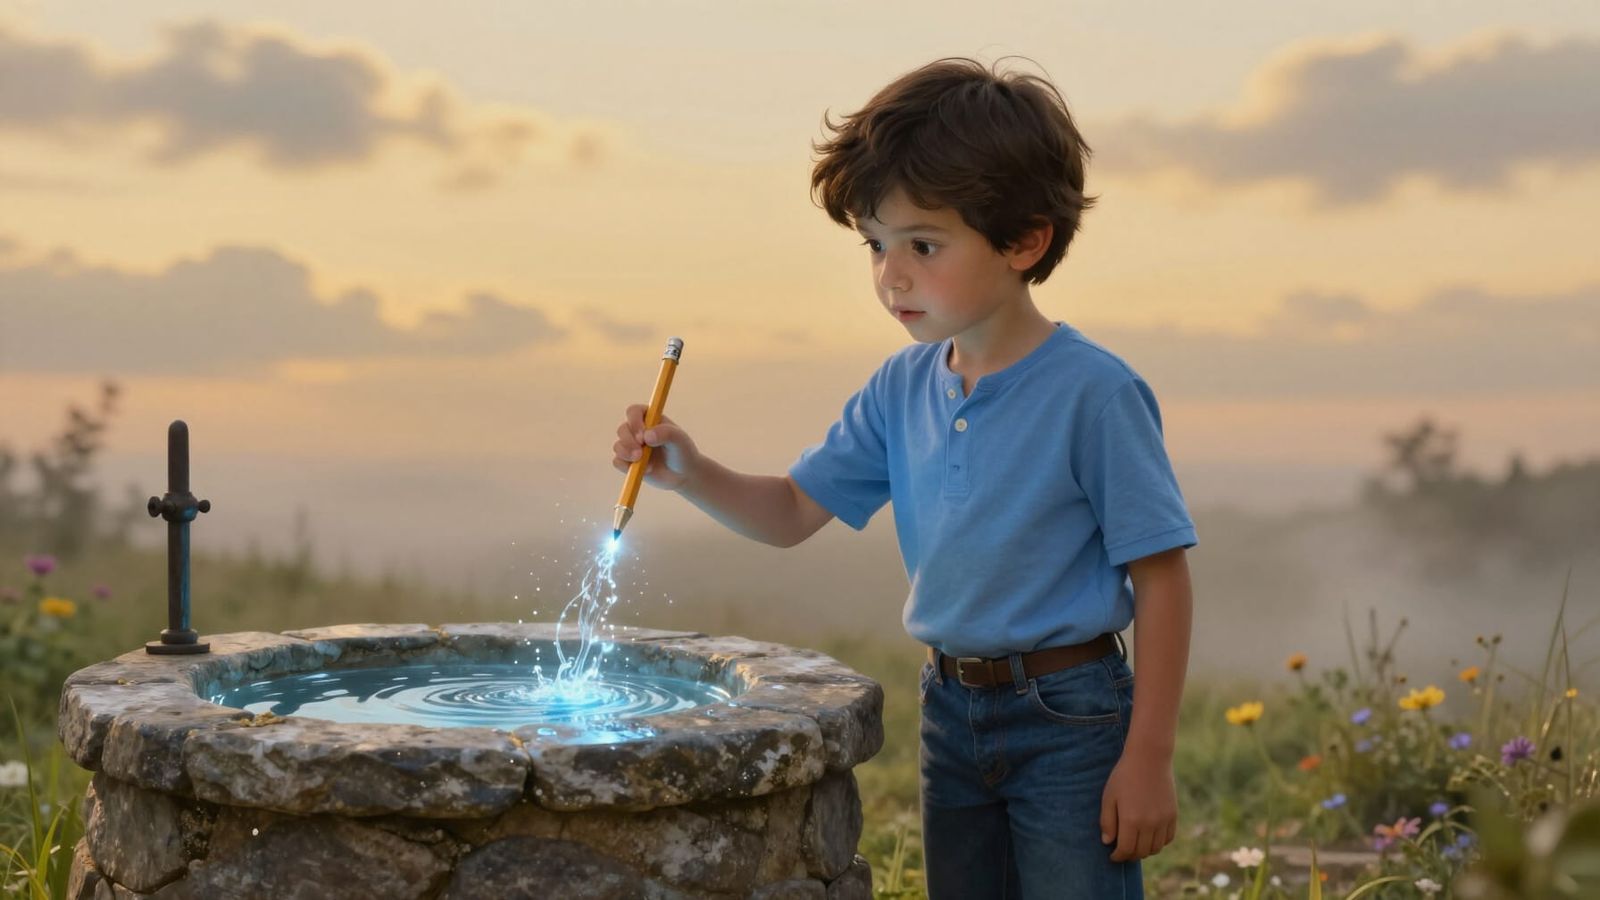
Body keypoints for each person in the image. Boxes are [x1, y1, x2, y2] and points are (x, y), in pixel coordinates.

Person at [611, 56, 1196, 900]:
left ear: (1025, 239)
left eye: (923, 245)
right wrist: (691, 472)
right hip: (951, 709)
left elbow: (1162, 574)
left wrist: (1149, 756)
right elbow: (790, 510)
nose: (891, 274)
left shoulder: (1094, 394)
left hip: (1072, 714)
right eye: (877, 246)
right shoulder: (901, 386)